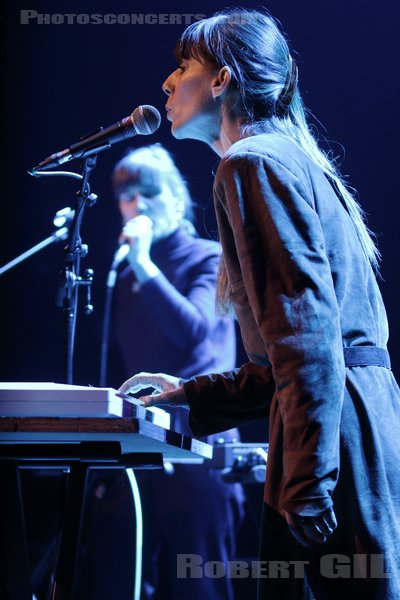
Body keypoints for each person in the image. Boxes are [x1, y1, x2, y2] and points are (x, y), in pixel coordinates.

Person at [119, 9, 400, 600]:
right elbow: (291, 359)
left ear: (221, 80)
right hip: (349, 428)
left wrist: (308, 478)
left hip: (330, 440)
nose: (168, 84)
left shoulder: (251, 163)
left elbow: (309, 339)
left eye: (183, 66)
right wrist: (189, 396)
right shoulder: (288, 160)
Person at [80, 143, 245, 600]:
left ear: (175, 196)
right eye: (127, 195)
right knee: (123, 578)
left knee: (200, 583)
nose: (138, 205)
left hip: (198, 446)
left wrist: (145, 264)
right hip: (140, 446)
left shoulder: (207, 257)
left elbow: (193, 330)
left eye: (149, 193)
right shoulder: (129, 275)